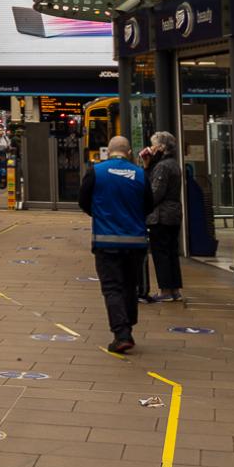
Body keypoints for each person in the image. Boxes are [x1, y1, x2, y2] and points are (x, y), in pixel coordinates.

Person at [79, 136, 153, 354]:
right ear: (129, 152)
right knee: (130, 285)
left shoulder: (97, 172)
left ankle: (121, 333)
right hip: (135, 242)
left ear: (108, 152)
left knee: (112, 287)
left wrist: (100, 214)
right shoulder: (140, 174)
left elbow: (83, 200)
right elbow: (149, 204)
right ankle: (128, 324)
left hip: (106, 240)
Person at [144, 130, 185, 305]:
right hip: (173, 213)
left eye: (154, 145)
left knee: (161, 253)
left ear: (161, 147)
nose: (151, 148)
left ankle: (165, 290)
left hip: (161, 216)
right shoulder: (173, 164)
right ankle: (174, 289)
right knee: (171, 252)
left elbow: (155, 192)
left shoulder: (162, 166)